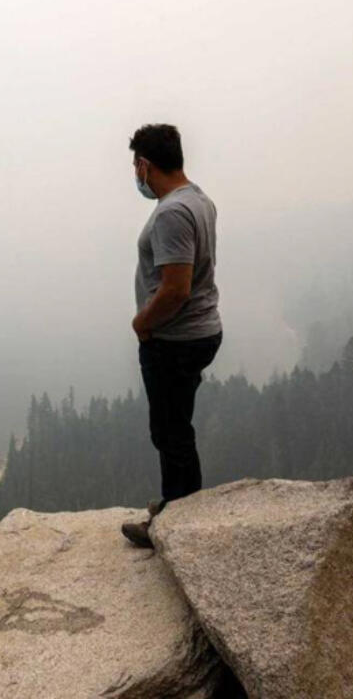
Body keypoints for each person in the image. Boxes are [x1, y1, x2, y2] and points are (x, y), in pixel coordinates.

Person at [121, 124, 222, 549]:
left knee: (170, 432)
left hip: (174, 339)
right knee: (176, 427)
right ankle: (179, 509)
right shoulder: (199, 200)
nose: (135, 176)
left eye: (134, 166)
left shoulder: (171, 213)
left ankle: (179, 527)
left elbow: (176, 287)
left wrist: (142, 323)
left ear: (145, 165)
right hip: (197, 331)